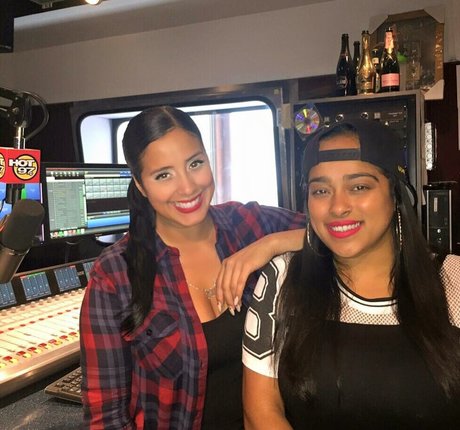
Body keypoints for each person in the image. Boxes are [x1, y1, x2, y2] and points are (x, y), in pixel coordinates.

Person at [79, 105, 305, 429]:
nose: (187, 187)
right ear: (140, 185)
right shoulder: (115, 274)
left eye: (195, 163)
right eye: (163, 175)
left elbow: (340, 235)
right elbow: (107, 419)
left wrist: (269, 245)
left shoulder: (249, 225)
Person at [242, 119, 460, 429]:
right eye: (321, 191)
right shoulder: (282, 279)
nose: (338, 207)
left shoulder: (454, 279)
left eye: (359, 186)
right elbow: (261, 413)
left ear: (396, 194)